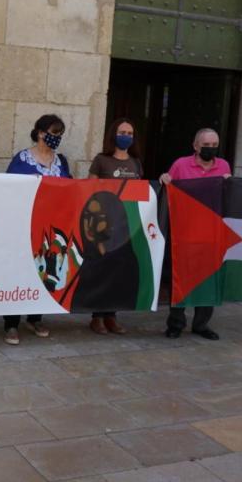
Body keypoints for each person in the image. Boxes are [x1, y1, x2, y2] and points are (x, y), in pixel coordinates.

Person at [2, 114, 70, 345]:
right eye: (54, 133)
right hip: (24, 225)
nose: (57, 138)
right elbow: (8, 188)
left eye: (60, 134)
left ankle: (35, 318)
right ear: (41, 133)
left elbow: (69, 188)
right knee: (19, 272)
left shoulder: (61, 161)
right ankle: (11, 323)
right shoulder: (22, 159)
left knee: (45, 269)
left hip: (51, 226)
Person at [159, 128, 232, 340]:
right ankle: (176, 323)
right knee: (180, 280)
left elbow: (229, 197)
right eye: (206, 145)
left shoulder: (224, 166)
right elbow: (167, 189)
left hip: (211, 233)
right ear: (195, 146)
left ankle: (201, 324)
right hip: (184, 232)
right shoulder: (181, 165)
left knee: (208, 279)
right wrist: (164, 178)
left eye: (214, 145)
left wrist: (231, 183)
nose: (210, 149)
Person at [86, 118, 143, 335]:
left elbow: (141, 194)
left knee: (119, 272)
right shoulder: (101, 160)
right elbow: (89, 189)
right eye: (122, 132)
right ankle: (97, 317)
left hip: (126, 226)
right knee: (103, 271)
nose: (126, 136)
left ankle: (112, 316)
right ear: (113, 134)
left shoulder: (136, 163)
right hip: (104, 225)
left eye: (130, 133)